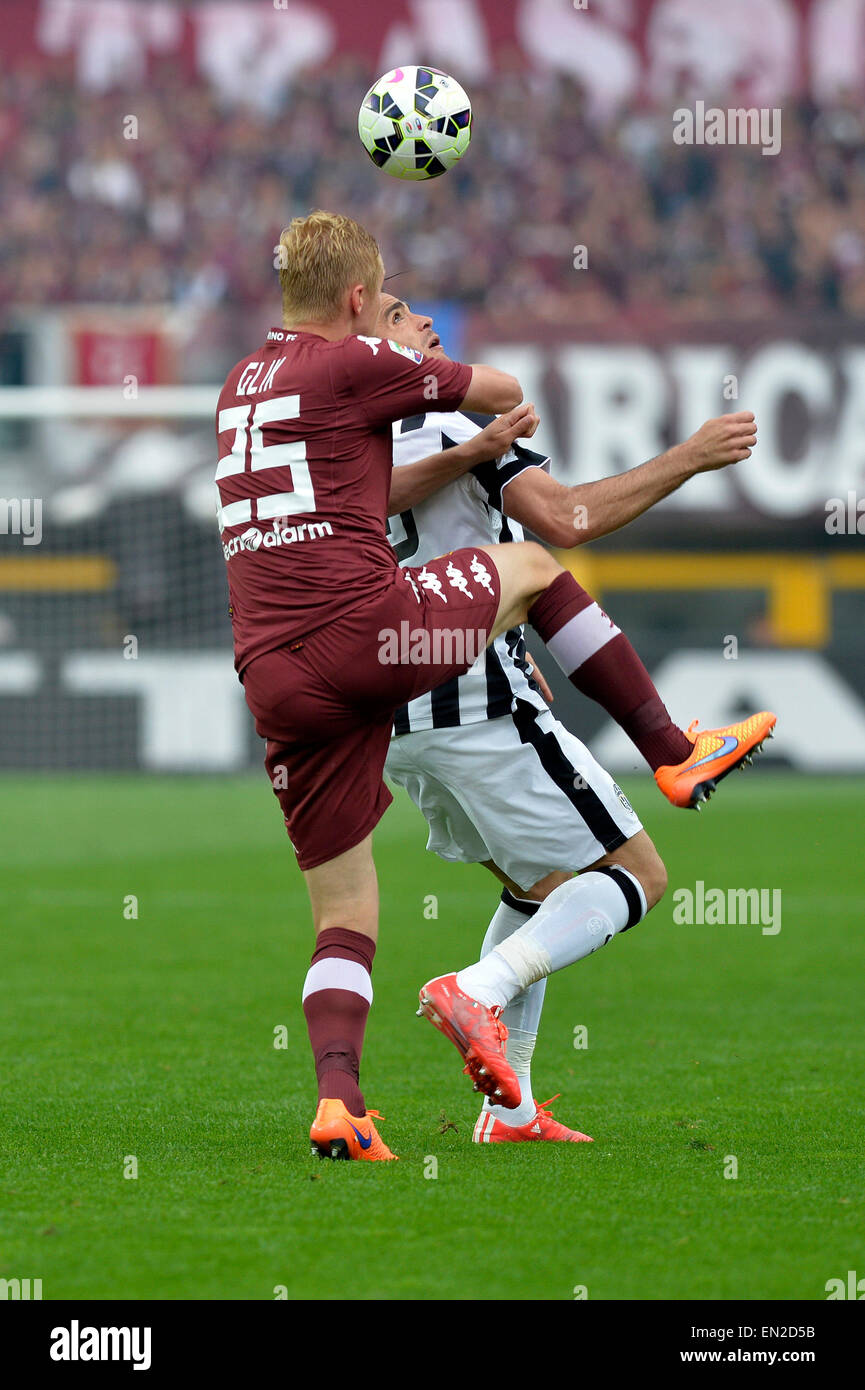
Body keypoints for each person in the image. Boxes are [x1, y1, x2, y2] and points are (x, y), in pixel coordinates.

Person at [376, 292, 776, 1143]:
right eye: (396, 311)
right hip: (475, 701)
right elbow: (567, 518)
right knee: (636, 875)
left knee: (538, 886)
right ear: (373, 344)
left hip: (388, 714)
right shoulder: (449, 427)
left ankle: (509, 1107)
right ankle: (474, 992)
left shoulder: (335, 452)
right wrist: (689, 457)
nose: (419, 317)